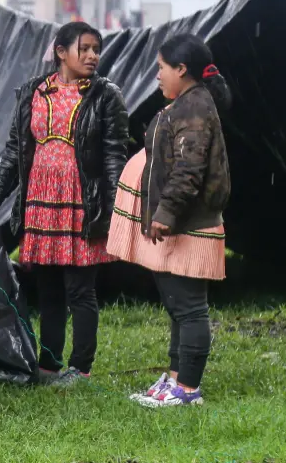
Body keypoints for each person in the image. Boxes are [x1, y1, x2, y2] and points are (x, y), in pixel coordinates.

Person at [0, 22, 129, 386]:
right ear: (61, 52)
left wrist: (113, 210)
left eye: (97, 49)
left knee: (80, 289)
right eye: (86, 48)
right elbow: (16, 151)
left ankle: (80, 368)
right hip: (41, 201)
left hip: (82, 202)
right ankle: (48, 365)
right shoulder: (34, 92)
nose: (93, 55)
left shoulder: (105, 96)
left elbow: (113, 156)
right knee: (48, 290)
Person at [106, 33, 231, 406]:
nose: (157, 75)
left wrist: (166, 212)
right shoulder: (187, 103)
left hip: (189, 224)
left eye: (162, 68)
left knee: (189, 307)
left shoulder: (194, 109)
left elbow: (189, 170)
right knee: (177, 305)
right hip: (180, 222)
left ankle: (187, 390)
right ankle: (175, 380)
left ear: (181, 69)